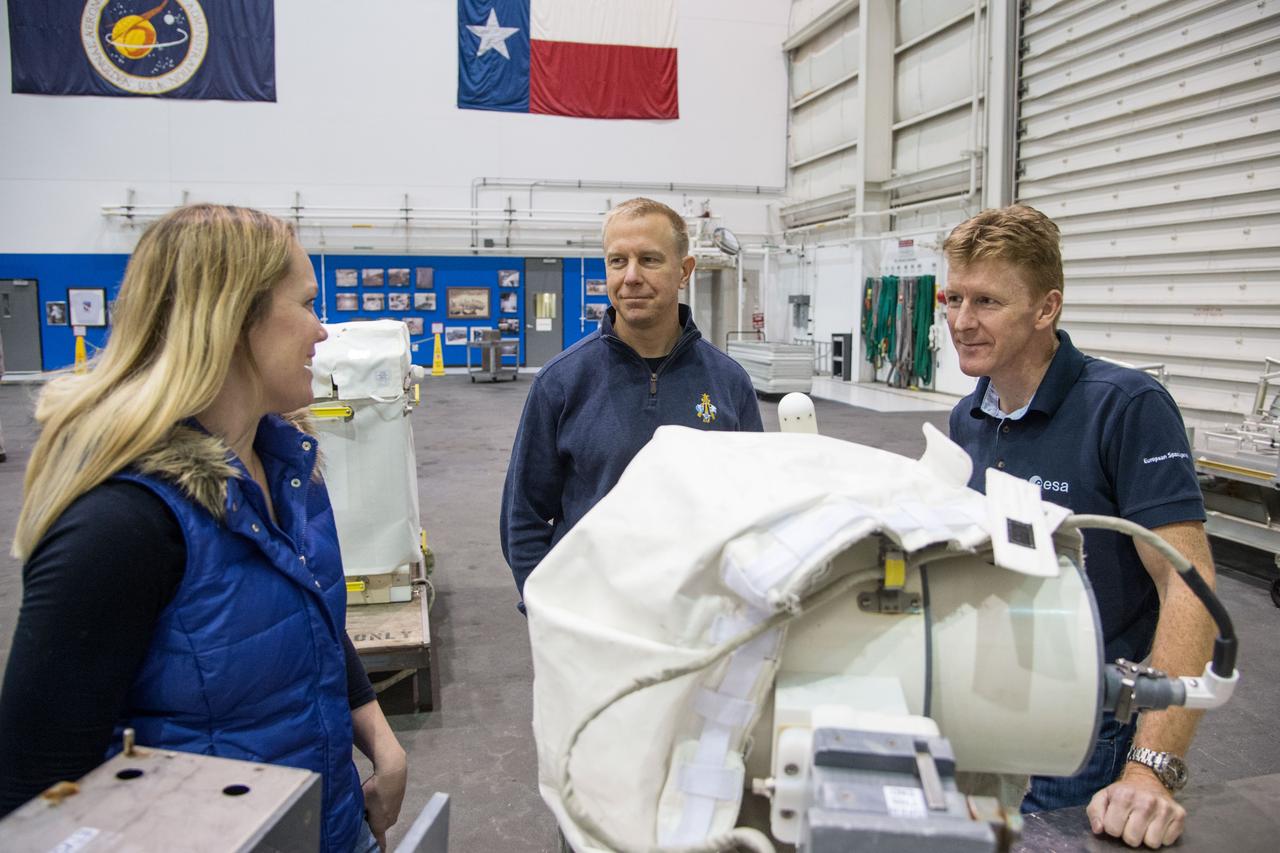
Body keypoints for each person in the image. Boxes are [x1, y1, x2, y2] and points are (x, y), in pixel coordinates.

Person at [0, 205, 406, 852]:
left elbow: (311, 620)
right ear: (232, 318)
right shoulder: (121, 525)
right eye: (306, 304)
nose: (322, 330)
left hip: (330, 824)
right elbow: (36, 793)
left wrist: (379, 737)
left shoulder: (290, 467)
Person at [943, 205, 1215, 849]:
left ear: (1046, 308)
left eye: (987, 301)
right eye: (953, 298)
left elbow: (1189, 585)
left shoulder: (1126, 407)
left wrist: (1150, 772)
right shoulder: (967, 418)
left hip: (1086, 724)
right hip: (982, 704)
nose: (960, 321)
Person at [500, 197, 764, 606]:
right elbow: (523, 516)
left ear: (684, 271)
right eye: (617, 261)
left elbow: (754, 506)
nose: (631, 277)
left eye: (650, 260)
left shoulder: (728, 382)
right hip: (592, 612)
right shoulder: (561, 382)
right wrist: (549, 610)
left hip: (699, 615)